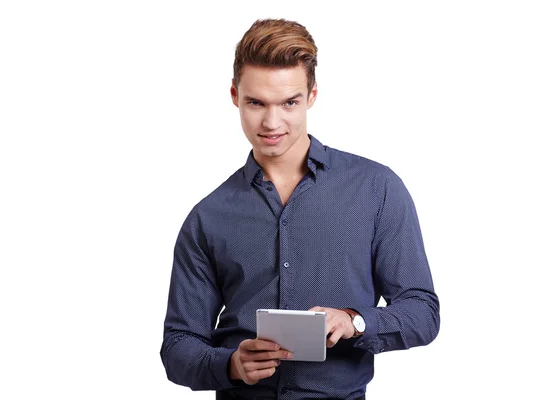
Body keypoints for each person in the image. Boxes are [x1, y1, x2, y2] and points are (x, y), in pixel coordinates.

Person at [160, 18, 440, 400]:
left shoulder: (376, 189)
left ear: (311, 96)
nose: (272, 123)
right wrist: (230, 366)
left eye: (289, 103)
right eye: (256, 102)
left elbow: (422, 312)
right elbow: (178, 346)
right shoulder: (208, 217)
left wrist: (355, 321)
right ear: (234, 95)